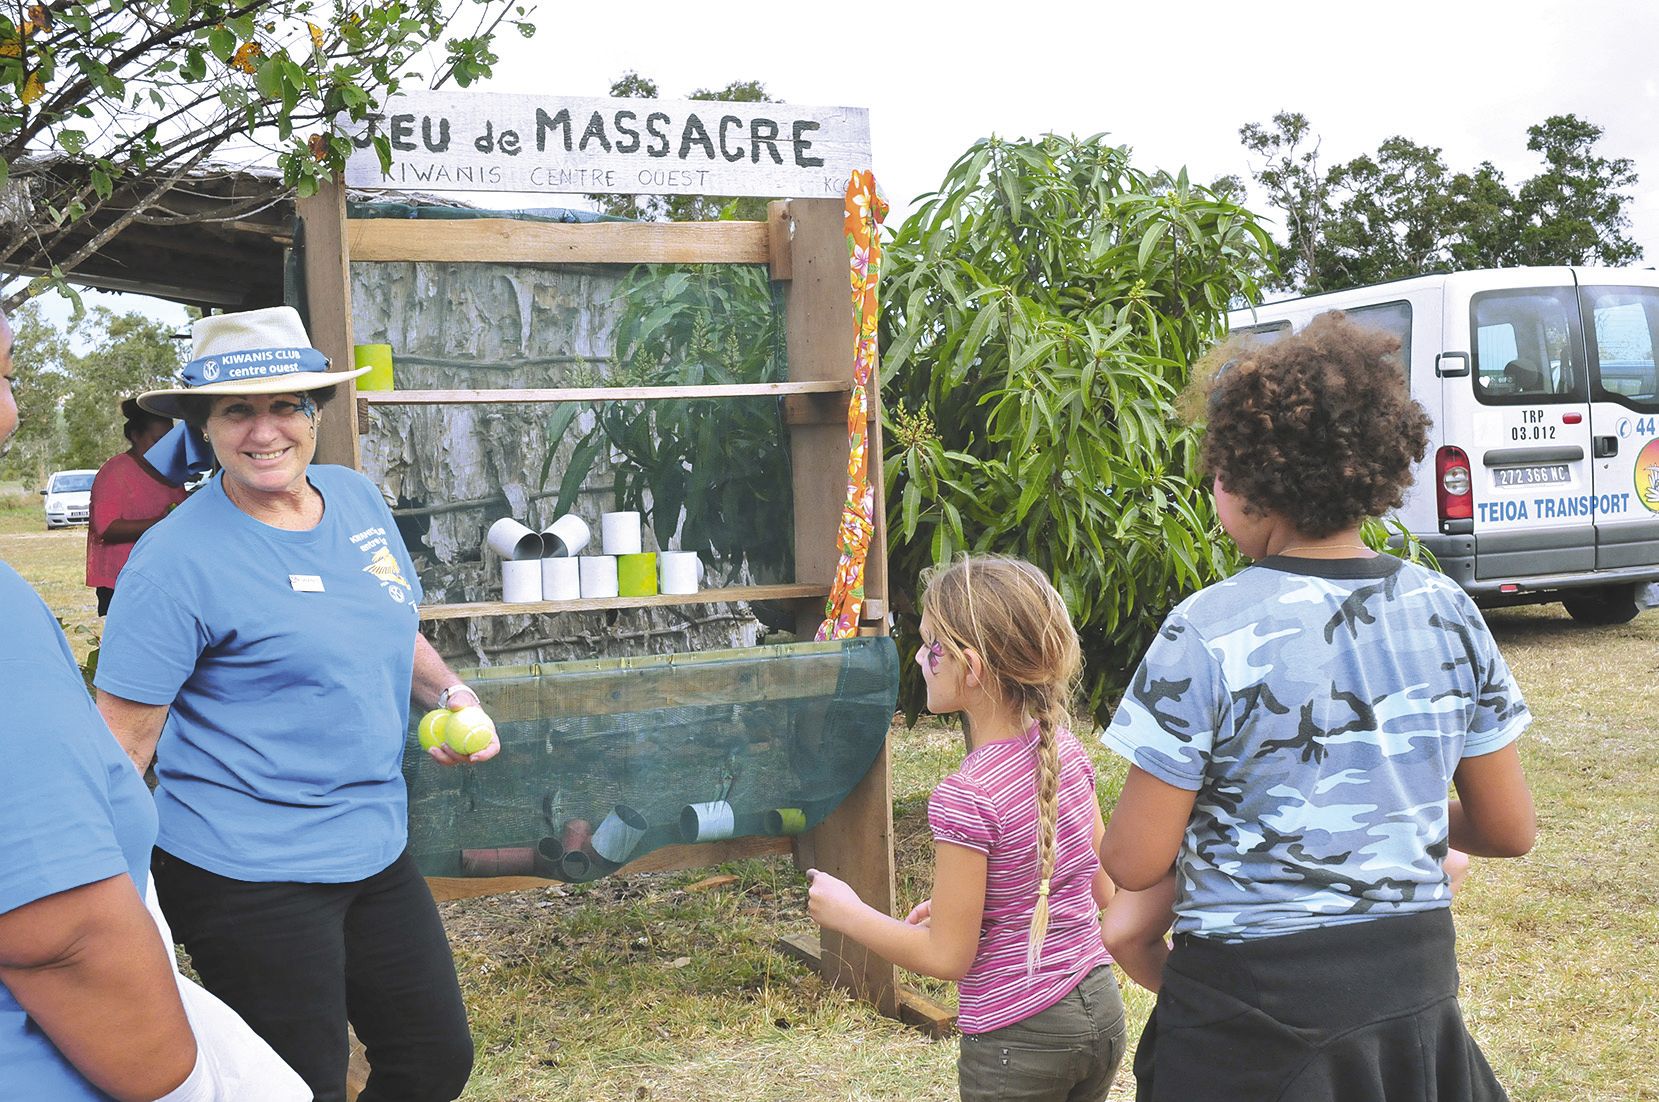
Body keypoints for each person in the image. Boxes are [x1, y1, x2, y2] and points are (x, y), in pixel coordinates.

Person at [1100, 312, 1536, 1101]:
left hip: (1248, 1020)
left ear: (1241, 482)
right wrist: (1384, 813)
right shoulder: (1449, 611)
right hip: (1408, 999)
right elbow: (1508, 830)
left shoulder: (1204, 628)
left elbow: (1132, 861)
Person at [94, 306, 501, 1102]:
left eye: (285, 405)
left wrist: (451, 692)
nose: (264, 431)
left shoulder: (353, 500)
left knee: (432, 1058)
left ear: (315, 413)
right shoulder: (174, 562)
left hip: (372, 842)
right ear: (204, 429)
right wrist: (102, 901)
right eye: (237, 410)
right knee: (296, 1086)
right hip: (243, 870)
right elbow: (119, 749)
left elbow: (385, 620)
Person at [0, 307, 295, 1101]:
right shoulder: (124, 482)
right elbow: (57, 928)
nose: (9, 406)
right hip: (116, 583)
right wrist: (185, 1082)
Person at [809, 555, 1126, 1102]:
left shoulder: (967, 795)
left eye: (932, 645)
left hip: (1020, 1041)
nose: (920, 657)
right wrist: (982, 904)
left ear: (972, 667)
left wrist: (849, 913)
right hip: (1100, 1012)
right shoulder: (1065, 751)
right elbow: (1102, 887)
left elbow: (947, 958)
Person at [87, 397, 188, 615]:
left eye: (169, 441)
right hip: (122, 581)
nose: (164, 447)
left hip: (162, 578)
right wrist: (162, 523)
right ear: (135, 436)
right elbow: (106, 528)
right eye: (157, 440)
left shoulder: (170, 471)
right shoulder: (115, 471)